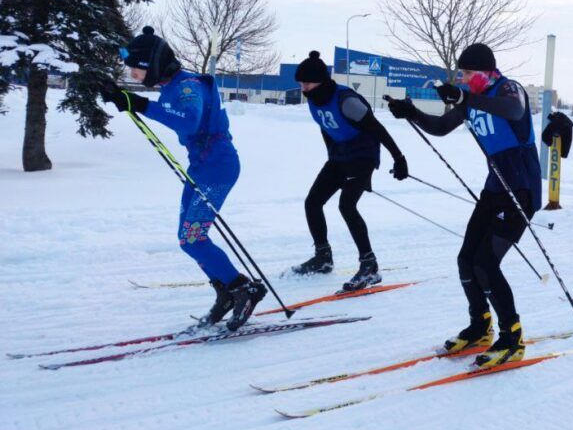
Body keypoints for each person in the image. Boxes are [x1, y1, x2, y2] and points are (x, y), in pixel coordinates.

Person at [100, 26, 264, 330]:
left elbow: (189, 122)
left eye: (136, 69)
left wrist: (137, 104)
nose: (133, 74)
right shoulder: (173, 84)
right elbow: (172, 114)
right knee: (187, 240)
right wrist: (123, 97)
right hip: (201, 167)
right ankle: (227, 291)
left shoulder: (187, 86)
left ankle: (244, 289)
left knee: (193, 236)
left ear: (152, 65)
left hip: (217, 167)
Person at [387, 44, 540, 368]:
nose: (463, 78)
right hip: (494, 188)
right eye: (462, 74)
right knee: (466, 259)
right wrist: (411, 112)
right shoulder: (469, 98)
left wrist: (465, 97)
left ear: (485, 73)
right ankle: (480, 326)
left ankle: (512, 338)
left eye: (469, 73)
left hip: (520, 190)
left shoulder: (508, 89)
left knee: (486, 263)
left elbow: (513, 112)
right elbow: (442, 127)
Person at [289, 51, 409, 290]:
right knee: (312, 202)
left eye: (307, 82)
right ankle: (323, 257)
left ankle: (369, 266)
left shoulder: (346, 101)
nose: (303, 87)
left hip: (363, 155)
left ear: (321, 81)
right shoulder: (314, 99)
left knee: (347, 205)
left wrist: (399, 158)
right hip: (340, 156)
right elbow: (326, 127)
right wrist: (332, 157)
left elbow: (378, 129)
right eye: (301, 83)